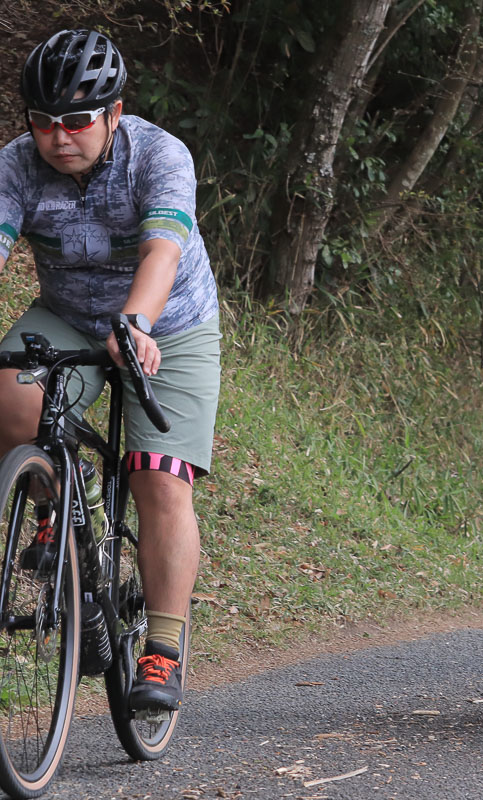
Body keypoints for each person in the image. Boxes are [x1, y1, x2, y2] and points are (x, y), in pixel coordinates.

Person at [0, 30, 220, 711]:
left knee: (158, 479)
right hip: (67, 314)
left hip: (169, 324)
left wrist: (138, 321)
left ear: (113, 113)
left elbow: (161, 249)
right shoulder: (15, 165)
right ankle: (66, 503)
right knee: (8, 400)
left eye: (76, 121)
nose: (59, 136)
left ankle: (162, 649)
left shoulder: (159, 155)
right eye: (43, 122)